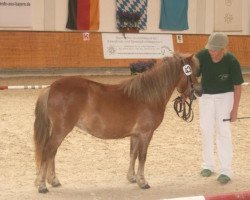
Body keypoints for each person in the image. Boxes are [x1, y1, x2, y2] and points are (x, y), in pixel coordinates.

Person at [195, 32, 244, 184]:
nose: (211, 52)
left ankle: (226, 170)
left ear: (223, 48)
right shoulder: (202, 56)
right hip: (206, 97)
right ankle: (208, 165)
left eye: (215, 50)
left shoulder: (232, 61)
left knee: (223, 131)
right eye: (210, 49)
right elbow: (192, 75)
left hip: (225, 96)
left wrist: (234, 110)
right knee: (206, 129)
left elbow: (237, 87)